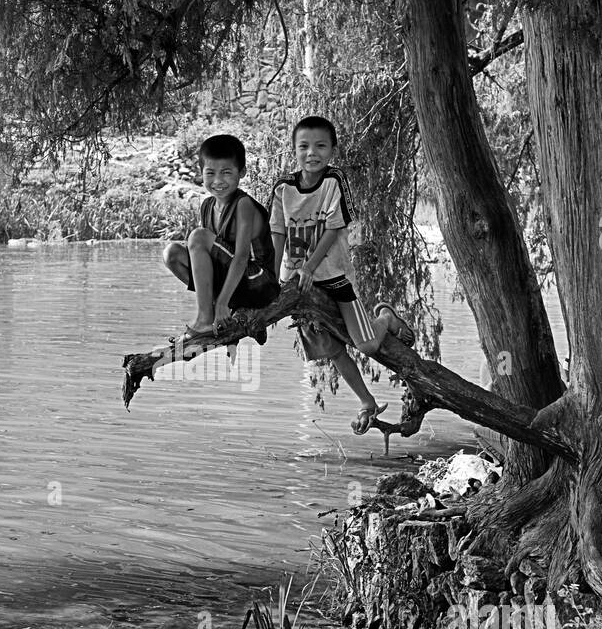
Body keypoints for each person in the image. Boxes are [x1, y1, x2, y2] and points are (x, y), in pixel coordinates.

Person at [269, 115, 414, 434]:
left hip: (334, 276)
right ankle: (367, 402)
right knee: (331, 350)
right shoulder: (283, 188)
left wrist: (309, 266)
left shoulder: (333, 181)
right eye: (303, 146)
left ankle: (386, 318)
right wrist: (274, 276)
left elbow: (335, 228)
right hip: (296, 286)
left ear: (332, 150)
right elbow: (277, 232)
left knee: (366, 345)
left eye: (320, 146)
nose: (312, 153)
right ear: (294, 150)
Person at [162, 134, 279, 344]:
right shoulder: (207, 206)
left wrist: (224, 302)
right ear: (201, 174)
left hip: (259, 282)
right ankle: (216, 313)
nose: (218, 181)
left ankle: (206, 319)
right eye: (211, 173)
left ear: (241, 172)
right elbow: (209, 260)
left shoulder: (243, 205)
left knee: (197, 236)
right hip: (235, 284)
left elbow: (242, 257)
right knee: (172, 254)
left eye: (226, 173)